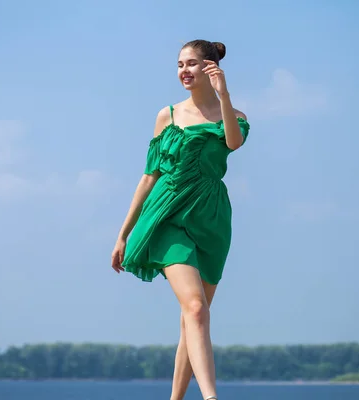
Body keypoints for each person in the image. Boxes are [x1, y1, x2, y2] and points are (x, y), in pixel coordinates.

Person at [111, 39, 250, 400]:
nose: (183, 71)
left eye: (190, 64)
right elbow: (147, 178)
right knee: (194, 307)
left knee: (194, 319)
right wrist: (123, 234)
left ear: (209, 68)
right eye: (179, 65)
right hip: (167, 215)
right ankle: (211, 396)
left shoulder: (234, 116)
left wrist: (224, 95)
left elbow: (233, 143)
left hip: (211, 217)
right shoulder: (167, 115)